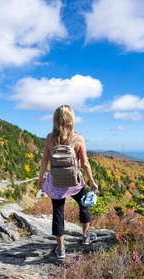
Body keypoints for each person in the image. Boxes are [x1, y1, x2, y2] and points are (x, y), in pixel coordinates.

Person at [38, 105, 99, 259]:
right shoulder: (78, 139)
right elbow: (85, 164)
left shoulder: (49, 138)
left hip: (55, 183)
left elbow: (45, 160)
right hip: (75, 182)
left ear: (55, 120)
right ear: (71, 120)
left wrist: (41, 178)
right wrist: (92, 181)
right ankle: (85, 237)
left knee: (58, 213)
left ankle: (61, 249)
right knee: (84, 204)